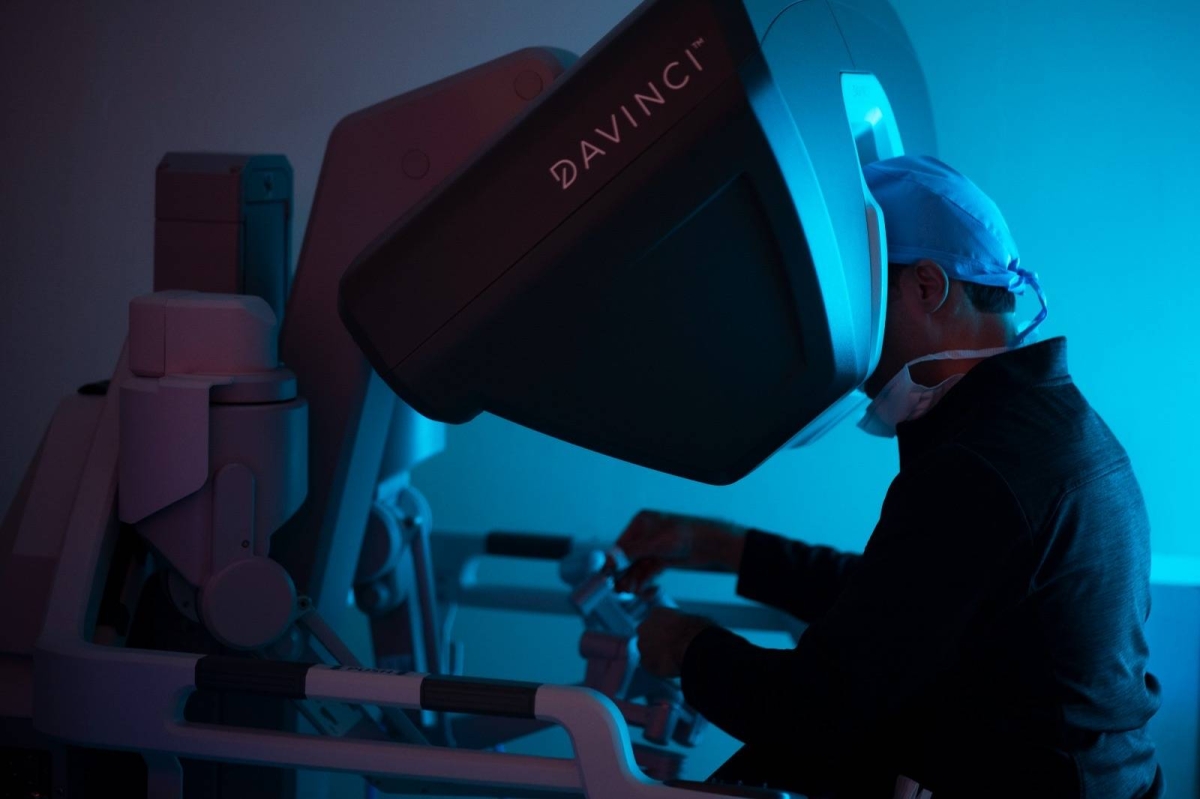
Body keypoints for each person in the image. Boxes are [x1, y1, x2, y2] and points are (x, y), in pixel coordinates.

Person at [617, 155, 1163, 798]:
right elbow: (903, 602)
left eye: (861, 304)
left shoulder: (981, 465)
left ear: (927, 286)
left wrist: (688, 646)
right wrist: (723, 547)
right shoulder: (1053, 425)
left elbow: (818, 711)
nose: (849, 335)